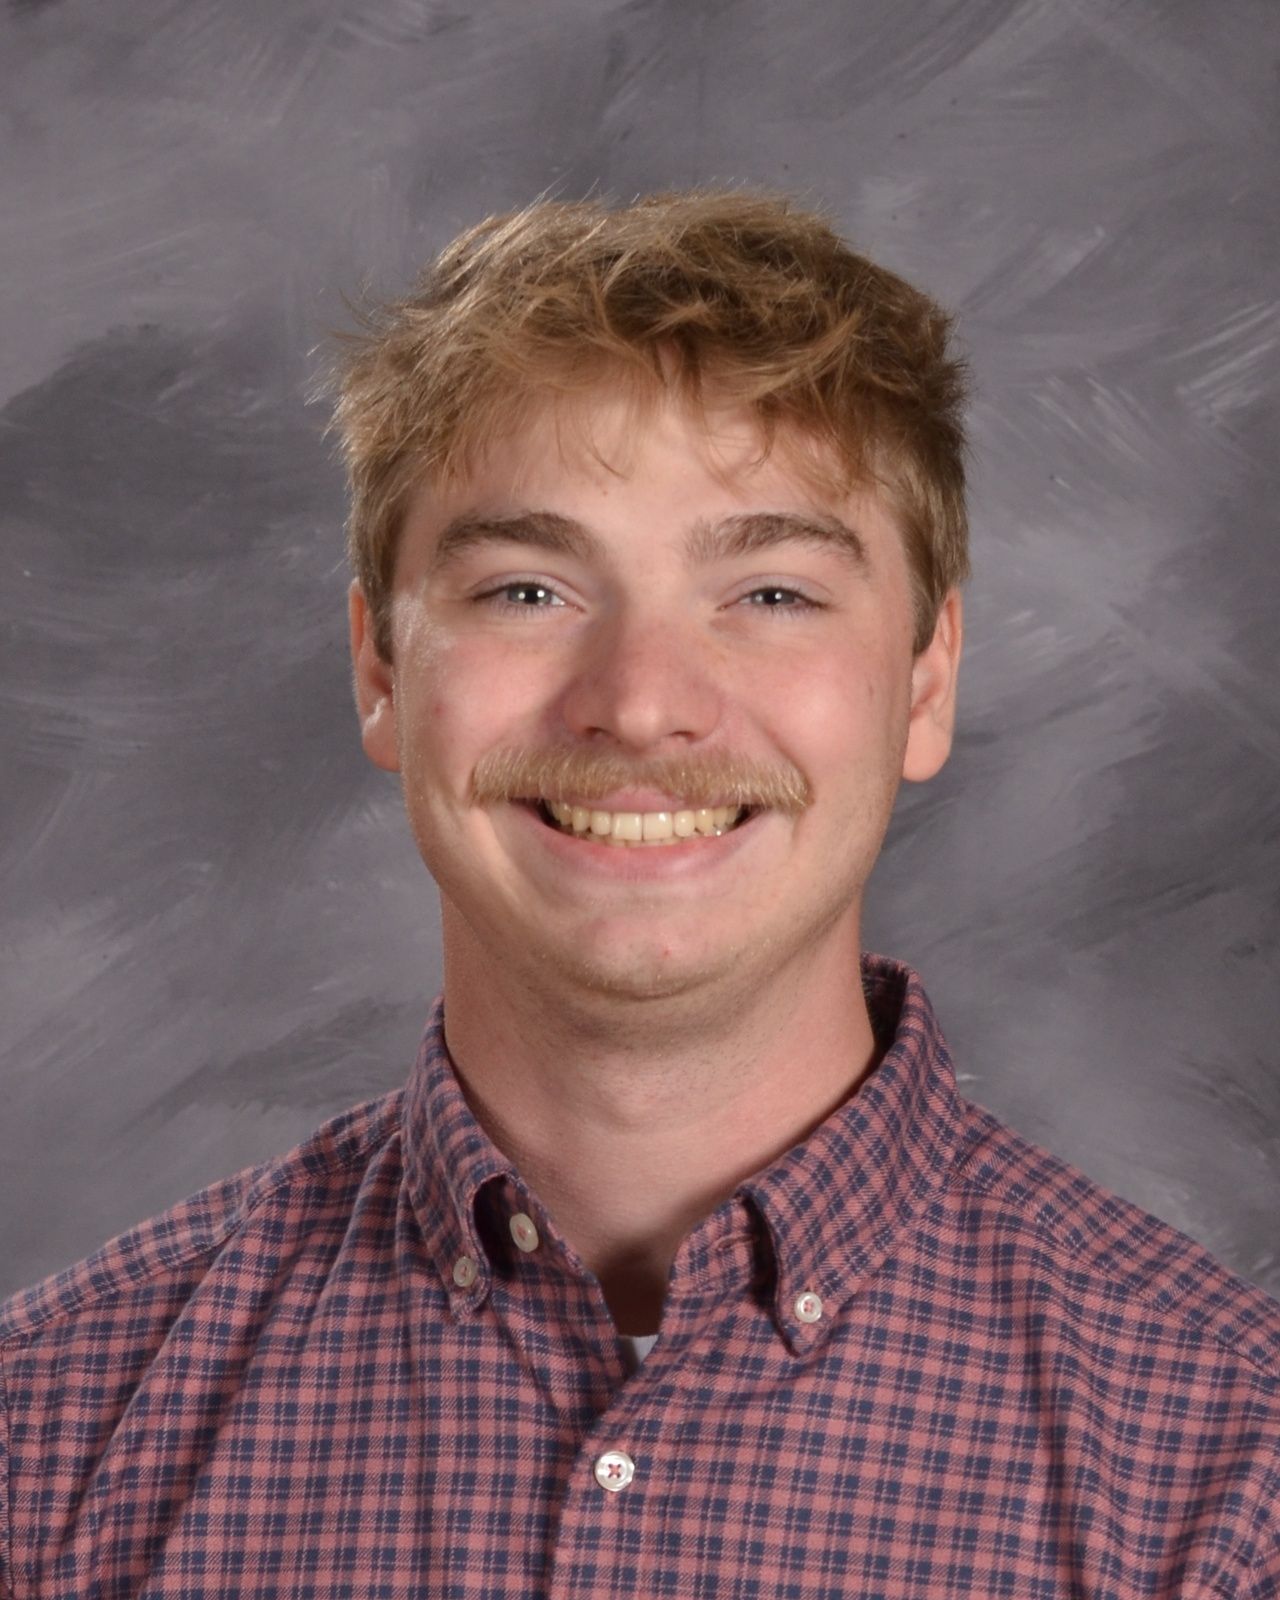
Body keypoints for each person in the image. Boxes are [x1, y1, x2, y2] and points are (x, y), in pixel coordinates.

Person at [2, 190, 1277, 1599]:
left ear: (927, 678)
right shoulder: (47, 1437)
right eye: (529, 591)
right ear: (379, 673)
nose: (643, 704)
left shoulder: (1231, 1475)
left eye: (774, 593)